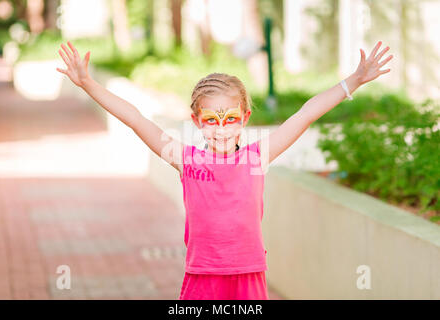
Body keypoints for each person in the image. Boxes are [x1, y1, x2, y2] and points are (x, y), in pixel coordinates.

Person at [56, 40, 393, 300]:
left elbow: (305, 115)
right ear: (197, 122)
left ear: (244, 117)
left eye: (230, 118)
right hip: (202, 274)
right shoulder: (186, 159)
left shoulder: (257, 156)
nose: (221, 128)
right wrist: (89, 85)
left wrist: (355, 81)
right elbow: (135, 119)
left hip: (249, 274)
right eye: (211, 120)